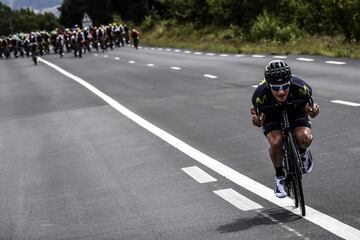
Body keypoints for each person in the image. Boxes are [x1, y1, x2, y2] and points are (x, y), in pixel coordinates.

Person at [250, 60, 320, 198]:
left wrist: (313, 112)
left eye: (285, 86)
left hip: (295, 111)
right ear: (268, 85)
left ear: (290, 82)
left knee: (304, 137)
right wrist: (257, 121)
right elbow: (255, 113)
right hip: (271, 116)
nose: (281, 91)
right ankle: (279, 177)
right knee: (276, 142)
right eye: (275, 88)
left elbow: (310, 108)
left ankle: (303, 153)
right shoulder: (259, 95)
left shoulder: (302, 87)